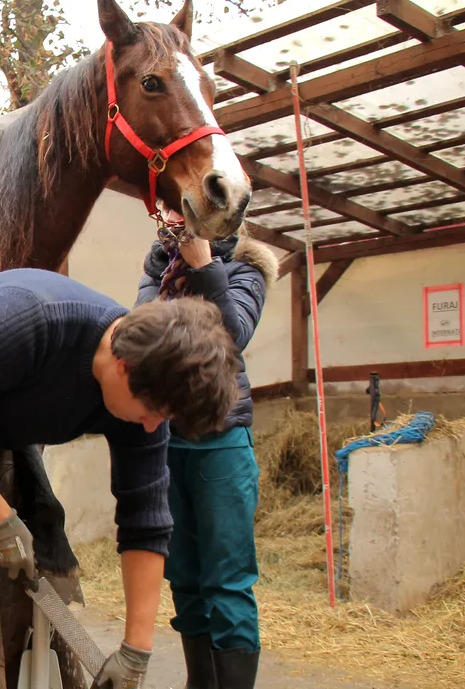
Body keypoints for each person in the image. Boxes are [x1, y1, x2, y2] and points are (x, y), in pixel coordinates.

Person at [0, 268, 240, 689]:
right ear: (123, 366)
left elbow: (146, 522)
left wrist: (135, 654)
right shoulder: (29, 319)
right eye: (152, 412)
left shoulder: (147, 391)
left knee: (43, 561)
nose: (151, 427)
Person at [137, 216, 276, 688]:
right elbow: (144, 337)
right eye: (174, 215)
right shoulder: (158, 268)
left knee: (227, 579)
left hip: (221, 439)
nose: (180, 224)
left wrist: (204, 267)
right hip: (167, 440)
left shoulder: (245, 269)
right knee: (186, 578)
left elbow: (231, 340)